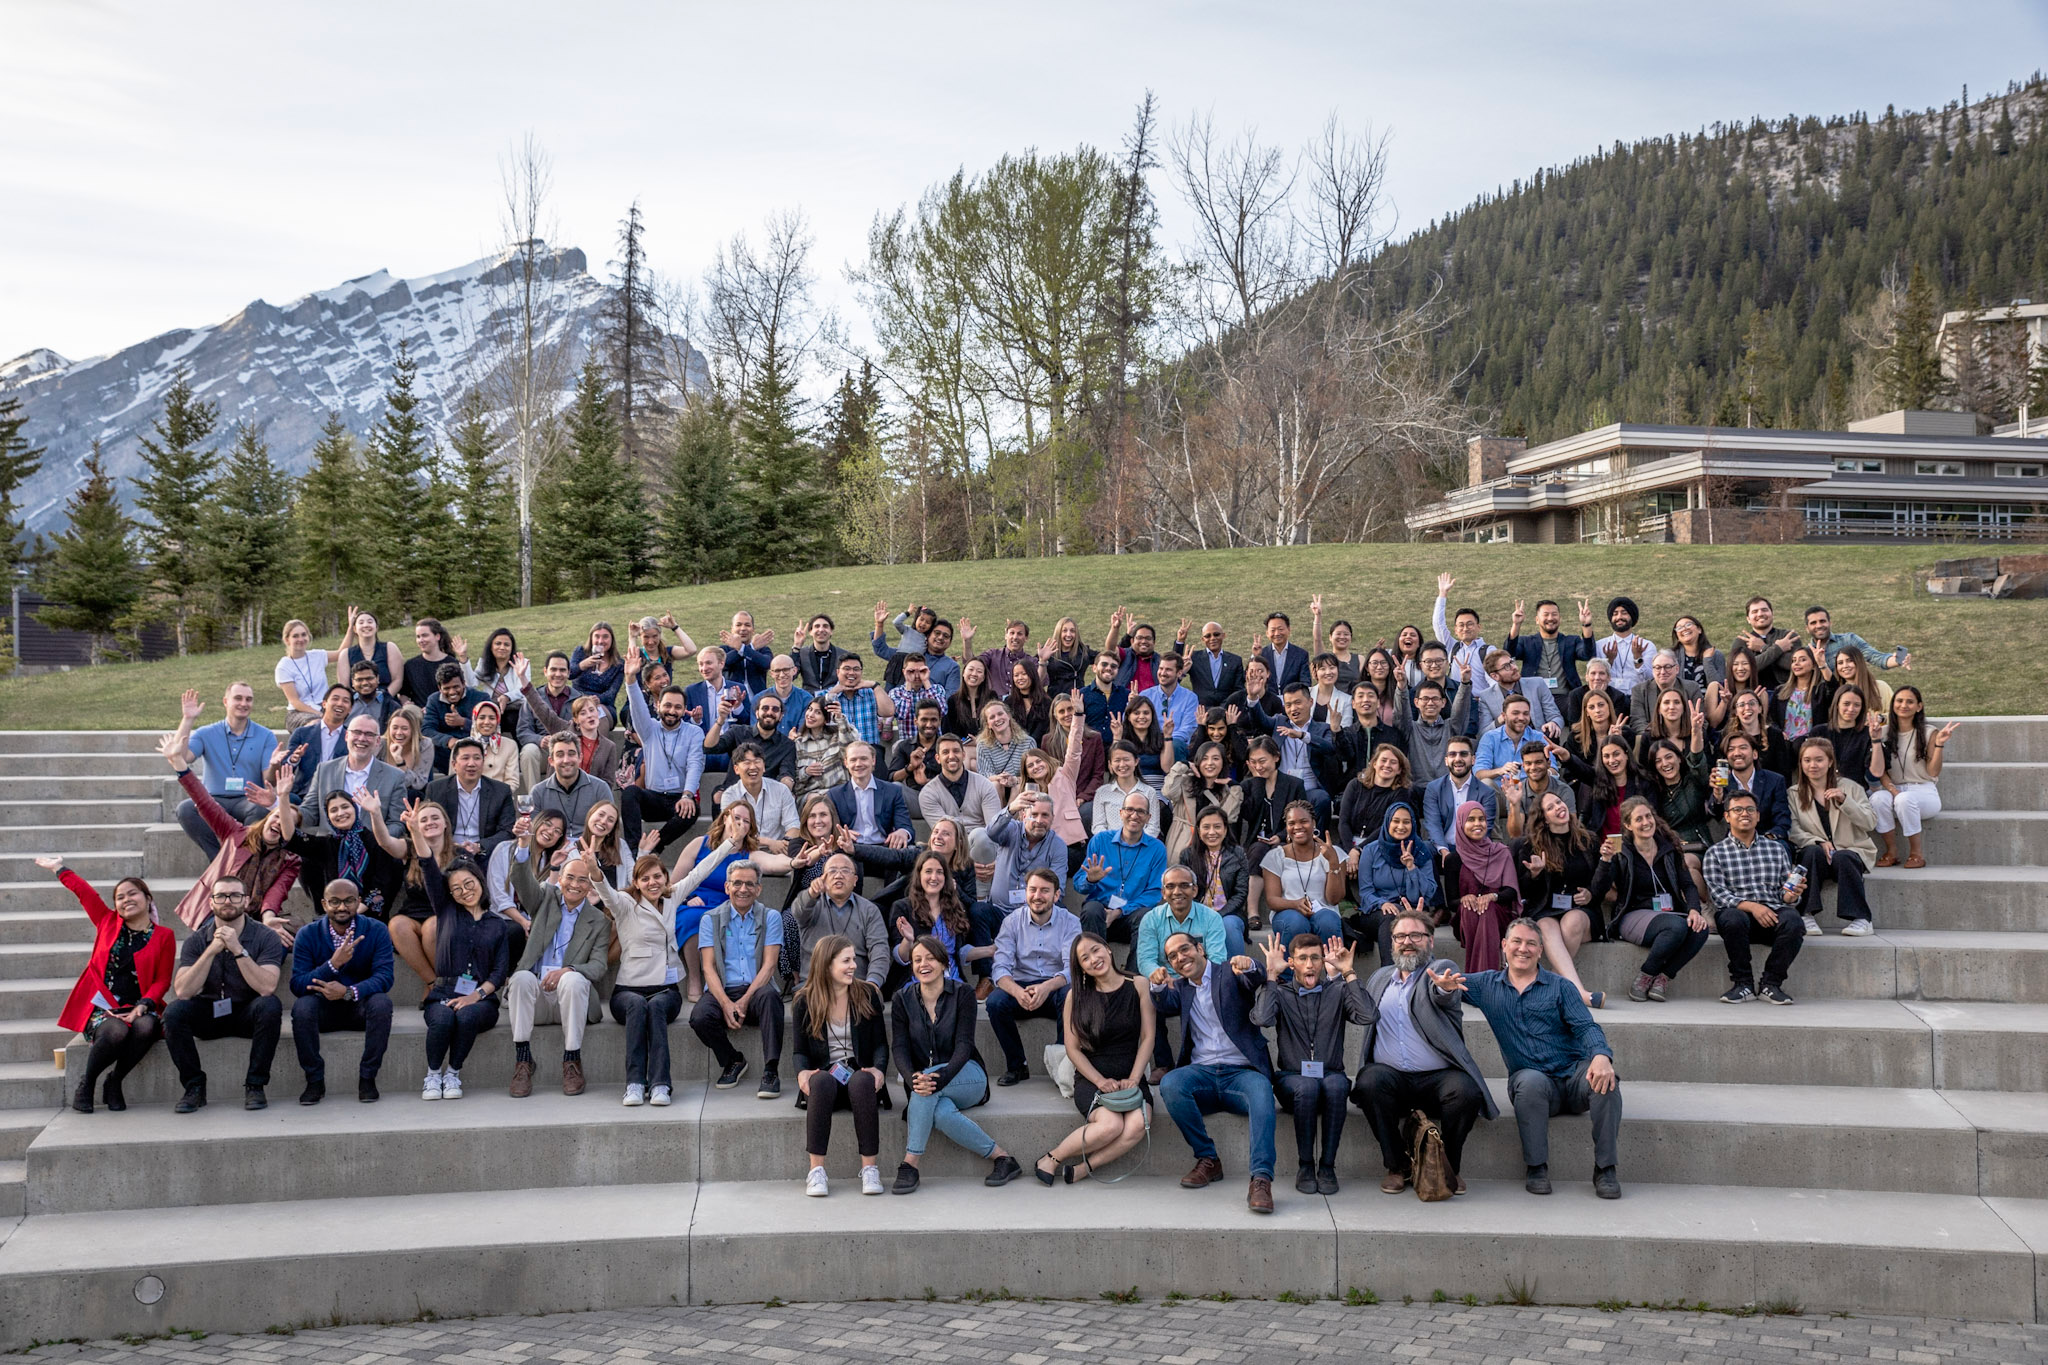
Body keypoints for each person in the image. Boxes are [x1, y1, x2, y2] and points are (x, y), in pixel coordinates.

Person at [1433, 918, 1623, 1199]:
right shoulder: (1487, 985)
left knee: (1607, 1083)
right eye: (1517, 942)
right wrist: (1444, 986)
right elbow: (1447, 983)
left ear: (1541, 950)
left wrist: (1600, 1055)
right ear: (1504, 946)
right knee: (1530, 1082)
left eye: (1531, 943)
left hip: (1573, 1077)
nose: (1523, 949)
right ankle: (1537, 1168)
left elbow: (1586, 1027)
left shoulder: (1561, 987)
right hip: (1532, 1083)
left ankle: (1605, 1169)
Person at [1351, 908, 1495, 1196]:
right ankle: (1397, 1166)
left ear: (1430, 940)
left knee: (1466, 1092)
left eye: (1416, 935)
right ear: (1391, 943)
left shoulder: (1440, 969)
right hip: (1392, 1079)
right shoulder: (1380, 978)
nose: (1407, 941)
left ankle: (1449, 1166)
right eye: (1400, 936)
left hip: (1438, 1079)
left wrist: (1445, 990)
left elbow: (1442, 992)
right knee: (1367, 1082)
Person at [1151, 931, 1276, 1214]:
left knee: (1262, 1092)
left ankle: (1261, 1179)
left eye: (1185, 950)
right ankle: (1208, 1159)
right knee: (1170, 1084)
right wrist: (1157, 986)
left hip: (1242, 1074)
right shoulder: (1181, 988)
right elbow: (1164, 1005)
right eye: (1173, 956)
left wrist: (1250, 965)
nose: (1181, 958)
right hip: (1202, 1075)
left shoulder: (1229, 972)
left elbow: (1253, 978)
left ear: (1200, 948)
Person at [40, 856, 172, 1114]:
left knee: (146, 1027)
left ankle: (115, 1081)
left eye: (132, 893)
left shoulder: (164, 936)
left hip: (139, 1005)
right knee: (116, 1032)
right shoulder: (106, 922)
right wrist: (59, 868)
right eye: (120, 897)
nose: (126, 900)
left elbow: (162, 979)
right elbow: (85, 893)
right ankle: (87, 1085)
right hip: (103, 1007)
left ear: (148, 898)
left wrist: (144, 1005)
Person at [890, 935, 1021, 1192]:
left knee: (925, 1089)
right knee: (939, 1113)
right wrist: (911, 1078)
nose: (923, 964)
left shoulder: (962, 994)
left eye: (929, 958)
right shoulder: (902, 999)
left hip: (965, 1074)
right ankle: (1002, 1158)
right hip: (924, 1080)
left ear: (943, 962)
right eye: (917, 960)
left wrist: (939, 1078)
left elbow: (964, 1045)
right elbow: (899, 1047)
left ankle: (910, 1163)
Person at [1253, 932, 1369, 1196]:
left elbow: (1366, 1015)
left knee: (1337, 1086)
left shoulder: (1337, 991)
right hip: (1291, 1078)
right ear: (1291, 962)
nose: (1309, 965)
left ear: (1322, 961)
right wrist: (1271, 976)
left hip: (1331, 1074)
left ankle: (1327, 1166)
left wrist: (1349, 973)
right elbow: (1262, 1019)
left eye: (1315, 958)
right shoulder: (1281, 993)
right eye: (1302, 958)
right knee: (1307, 1087)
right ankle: (1306, 1165)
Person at [1036, 930, 1155, 1185]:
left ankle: (1083, 1168)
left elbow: (1147, 1037)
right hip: (1093, 1077)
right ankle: (1052, 1158)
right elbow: (1072, 1049)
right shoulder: (1075, 996)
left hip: (1131, 1076)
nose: (1093, 959)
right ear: (1082, 968)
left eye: (1095, 950)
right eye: (1084, 959)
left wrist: (1135, 1078)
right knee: (1110, 1125)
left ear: (1108, 949)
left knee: (1137, 1125)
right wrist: (1100, 1081)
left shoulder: (1139, 985)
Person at [163, 874, 286, 1112]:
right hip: (209, 1012)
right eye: (221, 896)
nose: (227, 900)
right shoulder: (197, 940)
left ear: (247, 901)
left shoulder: (266, 936)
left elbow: (267, 987)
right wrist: (211, 951)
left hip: (246, 1013)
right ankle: (194, 1087)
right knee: (174, 1012)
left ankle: (255, 1085)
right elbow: (183, 991)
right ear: (211, 902)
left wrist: (238, 950)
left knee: (270, 1005)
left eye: (235, 895)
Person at [159, 734, 301, 939]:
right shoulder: (236, 833)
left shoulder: (291, 860)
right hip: (214, 909)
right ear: (268, 817)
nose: (279, 822)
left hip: (253, 916)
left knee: (278, 942)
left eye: (288, 821)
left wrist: (269, 917)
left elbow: (276, 893)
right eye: (277, 816)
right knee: (221, 937)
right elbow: (204, 801)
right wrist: (180, 764)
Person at [505, 848, 612, 1098]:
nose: (575, 884)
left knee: (574, 979)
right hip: (537, 1001)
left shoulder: (599, 921)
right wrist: (522, 844)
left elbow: (598, 966)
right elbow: (521, 880)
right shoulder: (544, 901)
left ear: (590, 887)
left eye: (583, 880)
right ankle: (523, 1060)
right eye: (570, 877)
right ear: (560, 879)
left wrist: (568, 970)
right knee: (520, 978)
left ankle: (572, 1061)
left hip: (572, 1001)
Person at [412, 826, 510, 1101]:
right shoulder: (446, 911)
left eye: (469, 884)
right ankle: (433, 1075)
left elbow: (500, 971)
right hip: (443, 993)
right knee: (442, 1019)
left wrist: (475, 996)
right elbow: (428, 867)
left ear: (480, 882)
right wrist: (414, 831)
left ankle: (453, 1072)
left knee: (466, 1016)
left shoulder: (497, 925)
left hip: (482, 999)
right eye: (456, 889)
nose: (464, 891)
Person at [792, 935, 891, 1197]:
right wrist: (802, 1074)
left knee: (861, 1079)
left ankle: (870, 1169)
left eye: (854, 959)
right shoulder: (805, 1000)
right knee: (821, 1080)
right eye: (846, 960)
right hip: (826, 1082)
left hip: (861, 1079)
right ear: (826, 965)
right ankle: (816, 1172)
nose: (853, 966)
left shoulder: (867, 994)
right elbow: (800, 1052)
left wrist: (879, 1069)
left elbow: (881, 1044)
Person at [1590, 798, 1711, 1003]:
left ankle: (1663, 978)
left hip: (1668, 913)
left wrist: (1694, 910)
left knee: (1700, 928)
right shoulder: (1621, 851)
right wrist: (1605, 861)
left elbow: (1688, 885)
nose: (1646, 822)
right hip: (1633, 915)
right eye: (1639, 819)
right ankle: (1645, 976)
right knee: (1676, 926)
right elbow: (1598, 891)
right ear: (1628, 825)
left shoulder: (1669, 847)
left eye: (1648, 816)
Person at [288, 880, 396, 1104]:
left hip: (359, 1007)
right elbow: (298, 984)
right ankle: (314, 1080)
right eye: (334, 901)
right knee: (302, 1008)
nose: (341, 907)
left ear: (358, 902)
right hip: (324, 1009)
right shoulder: (307, 934)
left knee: (382, 1003)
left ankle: (368, 1078)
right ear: (324, 904)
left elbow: (385, 977)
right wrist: (332, 966)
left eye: (348, 901)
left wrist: (348, 991)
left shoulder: (377, 930)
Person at [691, 859, 787, 1100]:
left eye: (749, 884)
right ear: (727, 887)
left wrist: (743, 1001)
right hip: (722, 989)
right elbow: (709, 969)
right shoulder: (710, 919)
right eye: (737, 883)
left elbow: (769, 966)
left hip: (756, 990)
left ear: (758, 889)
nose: (743, 889)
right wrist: (726, 1003)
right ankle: (732, 1060)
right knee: (699, 1017)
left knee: (771, 998)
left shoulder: (771, 917)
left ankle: (771, 1070)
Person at [1702, 790, 1805, 1005]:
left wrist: (1790, 896)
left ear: (1758, 815)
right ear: (1727, 816)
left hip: (1771, 915)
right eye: (1737, 810)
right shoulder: (1715, 853)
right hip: (1738, 919)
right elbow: (1719, 895)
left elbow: (1783, 895)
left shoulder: (1776, 850)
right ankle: (1743, 984)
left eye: (1750, 809)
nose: (1744, 814)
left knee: (1794, 921)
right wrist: (1752, 907)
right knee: (1732, 918)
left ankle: (1771, 984)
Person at [987, 867, 1082, 1085]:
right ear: (1026, 892)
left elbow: (1072, 968)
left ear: (1056, 895)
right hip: (1021, 987)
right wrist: (1017, 991)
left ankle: (1062, 1064)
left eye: (1045, 891)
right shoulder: (1012, 921)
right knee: (995, 1002)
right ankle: (1017, 1065)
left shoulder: (1070, 922)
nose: (1037, 896)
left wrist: (1046, 987)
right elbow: (1000, 968)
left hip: (1055, 987)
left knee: (1072, 995)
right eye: (1033, 890)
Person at [1511, 789, 1602, 1008]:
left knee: (1572, 921)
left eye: (1559, 803)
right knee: (1544, 925)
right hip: (1546, 909)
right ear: (1544, 818)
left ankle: (1549, 986)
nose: (1558, 808)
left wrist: (1590, 892)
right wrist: (1534, 875)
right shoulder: (1530, 845)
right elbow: (1523, 891)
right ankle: (1579, 992)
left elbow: (1601, 883)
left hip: (1582, 913)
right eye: (1550, 807)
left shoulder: (1588, 840)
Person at [170, 684, 276, 860]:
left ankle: (243, 859)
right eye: (238, 698)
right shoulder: (206, 732)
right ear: (226, 702)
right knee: (185, 809)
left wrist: (275, 765)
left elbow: (268, 779)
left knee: (260, 811)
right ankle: (219, 860)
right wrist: (188, 719)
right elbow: (181, 756)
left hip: (248, 800)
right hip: (214, 799)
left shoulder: (265, 735)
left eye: (248, 699)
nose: (244, 703)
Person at [1790, 736, 1879, 936]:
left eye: (1819, 760)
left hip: (1851, 850)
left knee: (1844, 856)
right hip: (1818, 855)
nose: (1813, 765)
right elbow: (1793, 829)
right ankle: (1806, 914)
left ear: (1830, 762)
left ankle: (1861, 918)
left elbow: (1870, 823)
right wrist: (1818, 841)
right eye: (1807, 760)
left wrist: (1845, 801)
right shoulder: (1794, 793)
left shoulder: (1850, 788)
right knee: (1811, 852)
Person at [619, 651, 706, 854]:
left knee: (692, 809)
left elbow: (695, 765)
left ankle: (655, 847)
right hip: (654, 798)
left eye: (677, 707)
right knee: (630, 792)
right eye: (667, 705)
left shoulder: (694, 732)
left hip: (679, 798)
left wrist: (687, 795)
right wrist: (630, 679)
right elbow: (637, 706)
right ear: (658, 706)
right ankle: (633, 850)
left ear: (684, 709)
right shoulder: (649, 729)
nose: (671, 711)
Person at [1872, 688, 1959, 870]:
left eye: (1910, 702)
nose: (1904, 705)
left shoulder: (1929, 732)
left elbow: (1933, 772)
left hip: (1923, 791)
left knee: (1904, 799)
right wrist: (1893, 790)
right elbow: (1880, 771)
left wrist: (1939, 745)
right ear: (1893, 705)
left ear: (1919, 707)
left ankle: (1916, 853)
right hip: (1893, 789)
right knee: (1877, 799)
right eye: (1899, 701)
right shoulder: (1884, 732)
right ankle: (1892, 851)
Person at [1073, 790, 1169, 944]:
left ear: (1148, 818)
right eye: (1129, 809)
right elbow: (1078, 885)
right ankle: (1096, 965)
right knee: (1091, 910)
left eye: (1140, 811)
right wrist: (1090, 880)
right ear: (1121, 813)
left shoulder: (1157, 849)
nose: (1134, 815)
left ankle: (1133, 969)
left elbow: (1154, 893)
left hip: (1131, 916)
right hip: (1100, 915)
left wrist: (1120, 911)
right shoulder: (1101, 841)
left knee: (1146, 916)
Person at [790, 853, 890, 990]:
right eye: (832, 871)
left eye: (845, 871)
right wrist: (811, 893)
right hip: (814, 985)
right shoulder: (811, 904)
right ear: (822, 878)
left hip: (855, 984)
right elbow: (799, 911)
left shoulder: (869, 910)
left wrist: (873, 983)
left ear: (855, 880)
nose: (838, 876)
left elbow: (879, 950)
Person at [1355, 803, 1438, 967]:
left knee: (1406, 917)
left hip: (1413, 910)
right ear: (1387, 823)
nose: (1401, 826)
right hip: (1377, 912)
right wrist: (1382, 903)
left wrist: (1411, 868)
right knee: (1392, 916)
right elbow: (1365, 892)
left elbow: (1428, 892)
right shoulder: (1371, 850)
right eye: (1396, 821)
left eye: (1406, 822)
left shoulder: (1421, 851)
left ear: (1413, 824)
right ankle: (1388, 974)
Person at [1444, 800, 1520, 973]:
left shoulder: (1501, 852)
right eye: (1471, 819)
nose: (1477, 824)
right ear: (1461, 823)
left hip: (1499, 917)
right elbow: (1452, 902)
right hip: (1466, 919)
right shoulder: (1453, 860)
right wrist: (1465, 899)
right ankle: (1488, 974)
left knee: (1487, 909)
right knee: (1470, 909)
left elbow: (1511, 892)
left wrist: (1493, 897)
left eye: (1481, 819)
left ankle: (1478, 976)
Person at [1260, 800, 1345, 945]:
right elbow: (1272, 900)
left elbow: (1334, 899)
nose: (1298, 827)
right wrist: (1295, 904)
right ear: (1286, 827)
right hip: (1286, 911)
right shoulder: (1275, 856)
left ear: (1314, 823)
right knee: (1296, 923)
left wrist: (1333, 863)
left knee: (1327, 922)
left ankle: (1334, 967)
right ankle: (1289, 968)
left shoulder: (1334, 853)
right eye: (1291, 823)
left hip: (1324, 910)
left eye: (1304, 821)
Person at [424, 738, 516, 864]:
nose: (471, 763)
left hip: (484, 854)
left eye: (477, 758)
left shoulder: (501, 791)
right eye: (465, 758)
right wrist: (450, 845)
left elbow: (507, 831)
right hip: (446, 852)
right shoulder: (436, 789)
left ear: (483, 762)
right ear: (454, 764)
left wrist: (479, 846)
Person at [528, 733, 616, 841]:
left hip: (590, 849)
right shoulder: (538, 792)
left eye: (571, 754)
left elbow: (611, 828)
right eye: (560, 755)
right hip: (552, 850)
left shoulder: (600, 788)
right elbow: (533, 832)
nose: (566, 760)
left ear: (580, 758)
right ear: (551, 761)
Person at [1706, 730, 1791, 840]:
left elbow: (1782, 819)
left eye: (1743, 748)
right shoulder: (1723, 782)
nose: (1737, 753)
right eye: (1731, 749)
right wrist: (1718, 794)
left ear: (1755, 754)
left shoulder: (1775, 780)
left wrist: (1767, 839)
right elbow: (1716, 815)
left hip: (1768, 839)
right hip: (1735, 841)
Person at [1503, 596, 1597, 694]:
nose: (1550, 618)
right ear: (1537, 620)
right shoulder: (1527, 642)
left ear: (1560, 619)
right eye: (1546, 614)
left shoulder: (1571, 641)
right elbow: (1508, 653)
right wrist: (1516, 624)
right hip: (1533, 696)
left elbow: (1588, 654)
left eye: (1554, 614)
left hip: (1564, 695)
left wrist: (1586, 625)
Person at [1420, 736, 1496, 851]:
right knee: (1423, 848)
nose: (1458, 759)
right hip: (1442, 849)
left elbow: (1485, 830)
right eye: (1452, 754)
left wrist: (1468, 854)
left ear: (1473, 759)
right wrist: (1444, 850)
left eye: (1464, 754)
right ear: (1446, 760)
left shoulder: (1486, 792)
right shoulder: (1433, 789)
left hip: (1474, 850)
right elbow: (1433, 824)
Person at [283, 684, 355, 805]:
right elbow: (284, 767)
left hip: (337, 797)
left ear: (350, 709)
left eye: (345, 701)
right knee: (286, 799)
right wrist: (293, 760)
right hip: (303, 794)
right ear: (324, 704)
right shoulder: (302, 733)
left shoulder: (352, 738)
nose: (340, 703)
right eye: (335, 699)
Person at [421, 662, 493, 770]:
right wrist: (448, 740)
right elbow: (427, 730)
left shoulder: (481, 698)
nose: (452, 692)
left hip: (477, 749)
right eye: (446, 688)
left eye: (456, 687)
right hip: (445, 754)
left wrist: (463, 722)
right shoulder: (434, 700)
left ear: (464, 683)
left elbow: (491, 727)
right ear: (439, 688)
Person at [1803, 605, 1911, 676]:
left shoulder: (1849, 640)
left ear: (1830, 623)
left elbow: (1874, 656)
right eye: (1813, 623)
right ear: (1807, 629)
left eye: (1822, 621)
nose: (1819, 625)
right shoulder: (1805, 654)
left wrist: (1897, 660)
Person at [273, 618, 334, 722]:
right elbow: (295, 701)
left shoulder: (317, 656)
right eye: (295, 636)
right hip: (299, 712)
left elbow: (343, 653)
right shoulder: (283, 666)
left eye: (303, 634)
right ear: (287, 640)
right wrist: (320, 714)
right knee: (317, 725)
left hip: (324, 707)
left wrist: (352, 628)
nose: (301, 639)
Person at [340, 606, 405, 702]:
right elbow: (345, 686)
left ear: (376, 627)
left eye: (370, 622)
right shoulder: (346, 654)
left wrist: (382, 699)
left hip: (387, 701)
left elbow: (398, 680)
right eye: (361, 623)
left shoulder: (389, 648)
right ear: (354, 629)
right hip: (358, 703)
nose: (366, 625)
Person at [1178, 621, 1246, 708]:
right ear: (1203, 639)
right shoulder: (1193, 658)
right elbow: (1173, 667)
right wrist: (1180, 641)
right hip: (1201, 713)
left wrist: (1223, 709)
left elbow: (1239, 690)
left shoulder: (1235, 660)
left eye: (1216, 634)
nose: (1212, 638)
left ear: (1223, 635)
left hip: (1227, 713)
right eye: (1208, 636)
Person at [1597, 595, 1653, 697]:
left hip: (1639, 698)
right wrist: (1609, 661)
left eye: (1624, 613)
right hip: (1608, 698)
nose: (1619, 617)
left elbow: (1651, 677)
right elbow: (1596, 678)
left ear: (1632, 616)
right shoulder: (1600, 645)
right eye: (1615, 614)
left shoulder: (1646, 645)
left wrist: (1638, 658)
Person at [569, 622, 626, 710]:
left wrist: (597, 699)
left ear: (612, 639)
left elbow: (611, 694)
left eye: (605, 637)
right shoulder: (580, 652)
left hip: (602, 705)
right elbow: (569, 674)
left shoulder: (618, 664)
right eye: (597, 636)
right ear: (591, 638)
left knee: (596, 715)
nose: (600, 641)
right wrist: (582, 665)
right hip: (577, 702)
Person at [382, 706, 436, 794]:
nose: (399, 733)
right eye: (395, 728)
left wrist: (399, 761)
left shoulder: (425, 744)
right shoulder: (380, 744)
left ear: (413, 730)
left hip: (412, 795)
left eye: (404, 728)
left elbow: (419, 784)